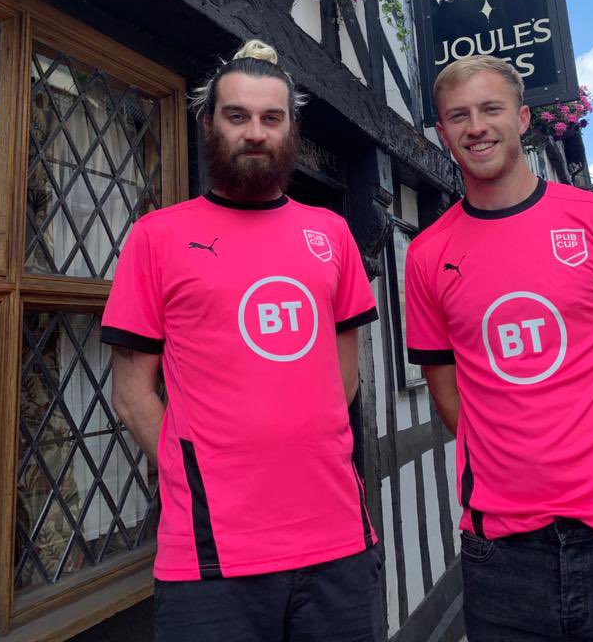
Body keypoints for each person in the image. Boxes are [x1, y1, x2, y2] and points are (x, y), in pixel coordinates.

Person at [404, 56, 593, 642]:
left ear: (523, 117)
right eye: (458, 116)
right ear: (442, 133)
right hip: (501, 554)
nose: (476, 127)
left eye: (491, 109)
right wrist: (510, 463)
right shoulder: (427, 255)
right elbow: (446, 393)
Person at [101, 40, 383, 642]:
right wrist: (195, 475)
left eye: (270, 118)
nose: (254, 132)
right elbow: (131, 393)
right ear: (209, 124)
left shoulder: (330, 234)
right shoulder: (157, 238)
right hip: (211, 560)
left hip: (337, 542)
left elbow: (346, 377)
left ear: (290, 129)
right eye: (237, 116)